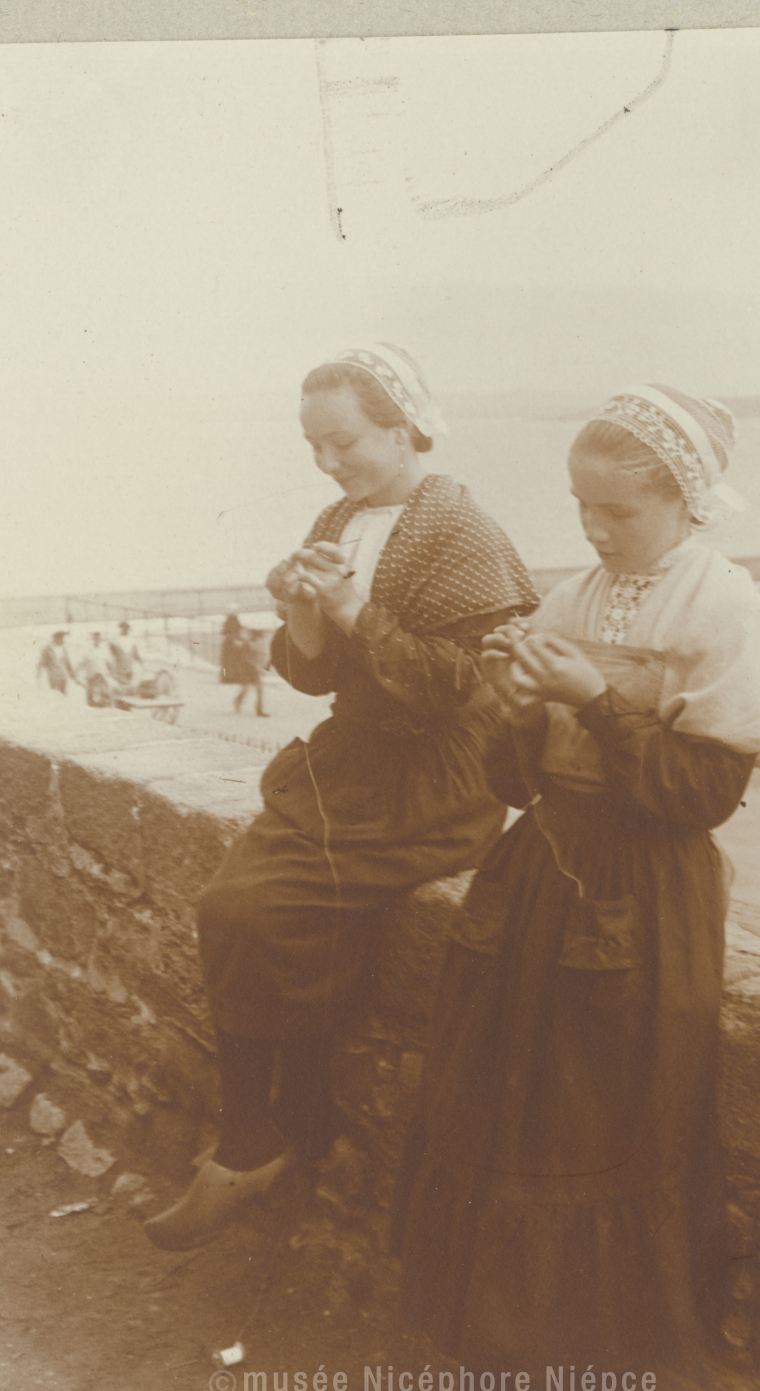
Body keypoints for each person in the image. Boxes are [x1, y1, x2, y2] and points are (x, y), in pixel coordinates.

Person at [393, 384, 760, 1391]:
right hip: (539, 874)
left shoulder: (723, 610)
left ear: (684, 500)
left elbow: (702, 795)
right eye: (581, 506)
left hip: (644, 889)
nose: (593, 529)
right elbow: (518, 785)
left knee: (598, 1115)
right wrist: (511, 709)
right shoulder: (572, 600)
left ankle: (598, 1359)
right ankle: (506, 1339)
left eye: (616, 510)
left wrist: (591, 701)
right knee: (509, 1100)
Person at [145, 343, 538, 1251]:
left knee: (243, 908)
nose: (327, 463)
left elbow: (461, 688)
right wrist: (302, 610)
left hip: (436, 777)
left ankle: (252, 1144)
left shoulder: (463, 534)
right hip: (351, 765)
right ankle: (291, 1121)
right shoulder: (341, 517)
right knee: (242, 910)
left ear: (404, 429)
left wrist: (356, 611)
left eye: (345, 442)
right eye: (314, 446)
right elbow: (316, 677)